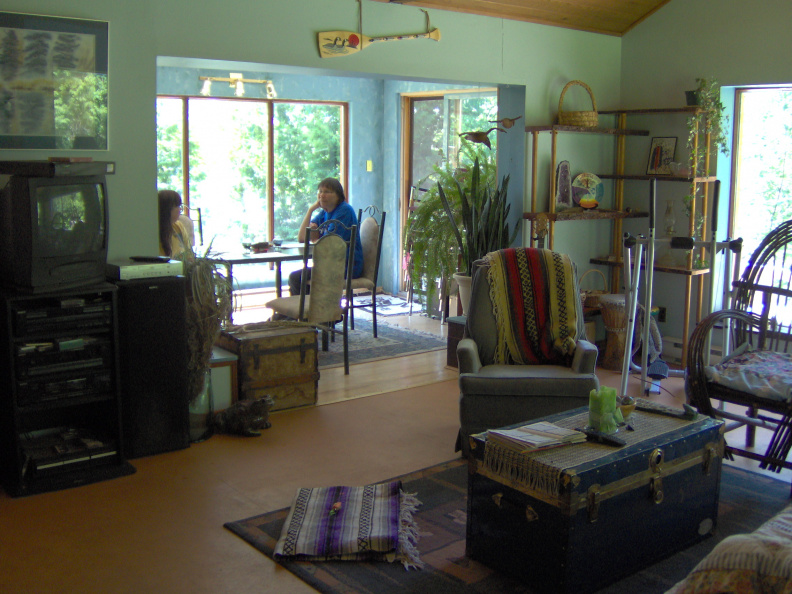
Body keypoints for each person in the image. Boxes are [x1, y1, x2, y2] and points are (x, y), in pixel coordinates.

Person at [288, 178, 363, 295]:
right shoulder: (325, 212)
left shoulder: (344, 211)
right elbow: (302, 238)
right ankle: (306, 312)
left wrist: (314, 238)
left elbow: (327, 245)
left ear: (338, 195)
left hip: (346, 266)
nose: (322, 195)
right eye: (320, 191)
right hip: (330, 264)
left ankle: (306, 312)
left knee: (297, 278)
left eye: (327, 192)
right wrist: (310, 210)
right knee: (297, 277)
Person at [158, 189, 189, 258]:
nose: (180, 209)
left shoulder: (178, 226)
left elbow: (189, 255)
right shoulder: (154, 230)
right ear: (168, 209)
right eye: (178, 206)